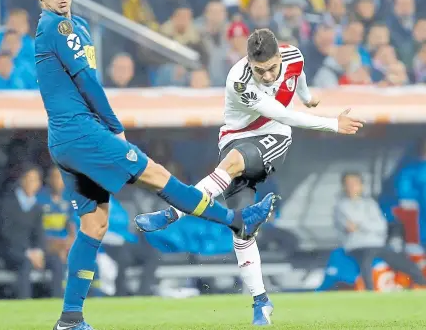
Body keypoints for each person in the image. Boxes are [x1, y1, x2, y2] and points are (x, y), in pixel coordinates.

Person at [30, 0, 277, 330]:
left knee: (94, 226)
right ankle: (238, 222)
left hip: (64, 141)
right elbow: (88, 84)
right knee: (158, 176)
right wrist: (114, 129)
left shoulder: (70, 26)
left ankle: (70, 319)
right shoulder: (60, 27)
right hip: (83, 132)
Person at [135, 28, 365, 326]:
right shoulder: (239, 80)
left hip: (274, 137)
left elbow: (297, 81)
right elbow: (283, 112)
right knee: (242, 230)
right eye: (260, 70)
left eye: (271, 68)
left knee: (230, 165)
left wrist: (307, 98)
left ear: (279, 56)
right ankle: (261, 302)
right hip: (235, 138)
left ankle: (172, 213)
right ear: (248, 62)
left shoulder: (294, 55)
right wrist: (333, 123)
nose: (268, 76)